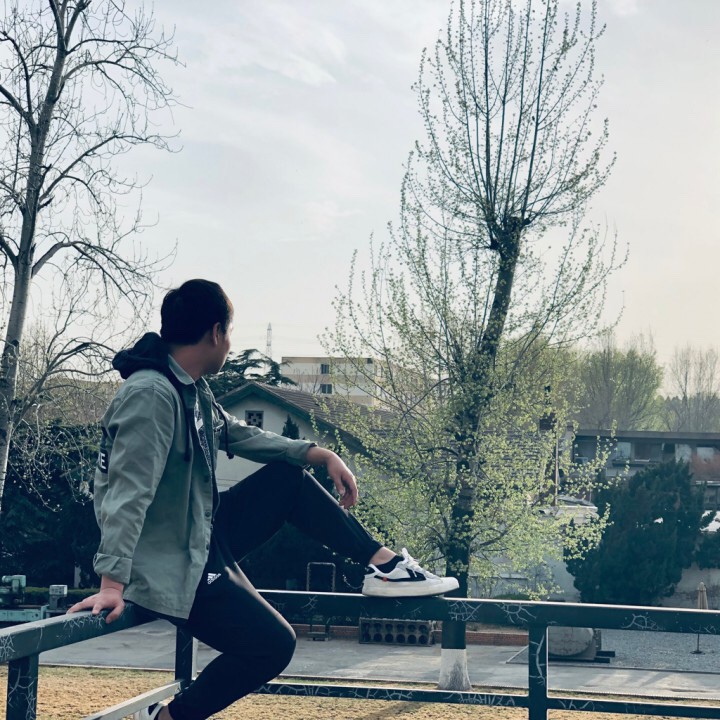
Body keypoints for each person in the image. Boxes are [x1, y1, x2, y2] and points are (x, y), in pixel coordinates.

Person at [69, 279, 458, 720]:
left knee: (287, 480)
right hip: (168, 561)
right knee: (272, 644)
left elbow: (238, 433)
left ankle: (384, 566)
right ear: (216, 332)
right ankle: (167, 718)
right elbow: (127, 493)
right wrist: (112, 583)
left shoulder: (190, 389)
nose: (230, 344)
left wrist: (316, 453)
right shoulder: (152, 395)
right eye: (230, 333)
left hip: (198, 534)